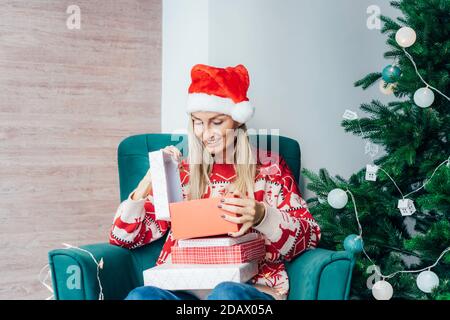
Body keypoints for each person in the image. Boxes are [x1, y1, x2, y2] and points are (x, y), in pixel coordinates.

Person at [109, 63, 321, 300]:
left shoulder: (269, 168)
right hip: (186, 293)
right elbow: (122, 237)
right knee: (141, 297)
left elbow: (310, 237)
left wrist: (263, 216)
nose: (206, 133)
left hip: (248, 290)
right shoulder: (182, 172)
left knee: (225, 293)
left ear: (237, 121)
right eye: (198, 122)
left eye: (217, 122)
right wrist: (148, 181)